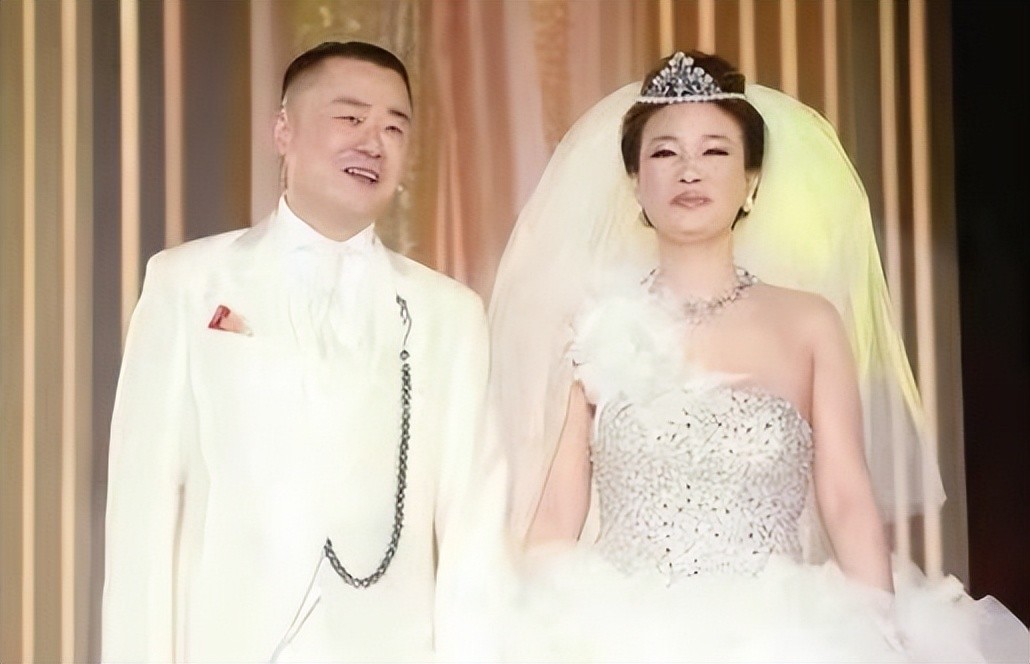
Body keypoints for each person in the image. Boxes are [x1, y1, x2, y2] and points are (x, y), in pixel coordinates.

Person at [489, 51, 1028, 661]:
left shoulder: (809, 323)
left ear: (750, 181)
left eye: (715, 151)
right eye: (665, 153)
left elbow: (846, 497)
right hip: (617, 632)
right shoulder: (593, 323)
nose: (689, 171)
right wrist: (522, 628)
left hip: (784, 632)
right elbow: (560, 506)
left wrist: (883, 633)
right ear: (635, 181)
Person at [102, 41, 504, 662]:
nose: (373, 142)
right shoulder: (186, 282)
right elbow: (143, 510)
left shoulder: (449, 314)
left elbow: (473, 529)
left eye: (394, 128)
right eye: (350, 117)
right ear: (283, 131)